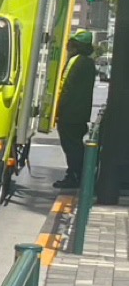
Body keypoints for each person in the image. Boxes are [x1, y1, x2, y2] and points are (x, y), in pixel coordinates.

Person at [53, 31, 98, 191]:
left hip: (70, 114)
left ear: (76, 46)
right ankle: (80, 175)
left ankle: (74, 176)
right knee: (76, 145)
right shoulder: (89, 63)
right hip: (80, 113)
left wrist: (56, 110)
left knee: (71, 147)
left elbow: (65, 87)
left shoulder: (75, 61)